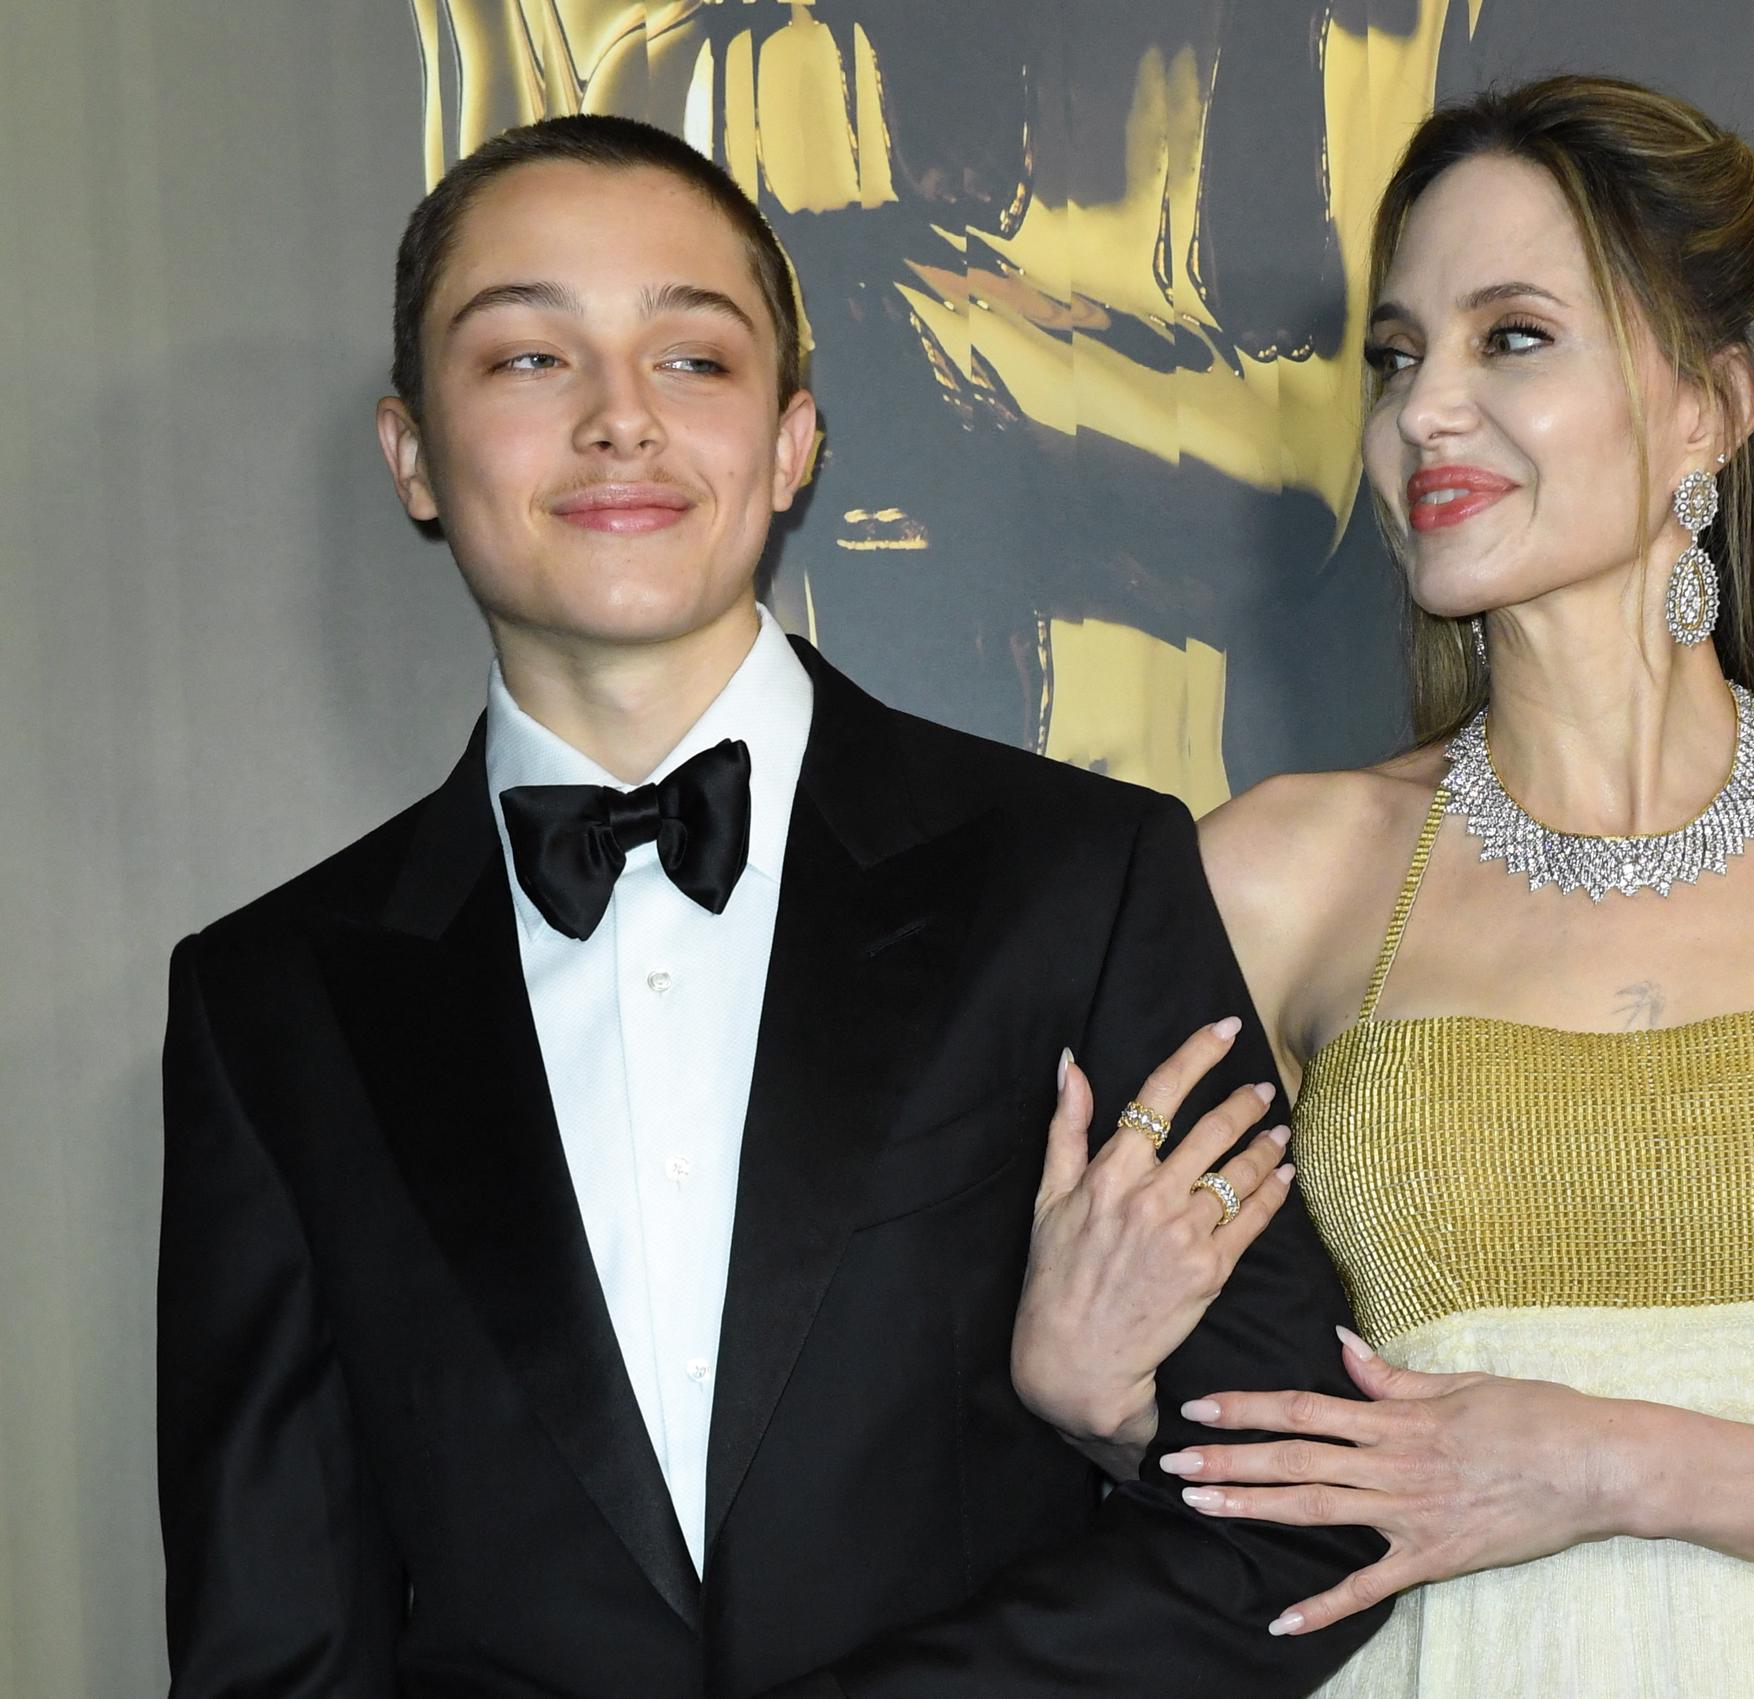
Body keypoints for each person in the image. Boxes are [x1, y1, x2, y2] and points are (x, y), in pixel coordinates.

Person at [155, 114, 1387, 1698]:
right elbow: (273, 1640)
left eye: (694, 360)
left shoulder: (1079, 879)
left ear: (794, 439)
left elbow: (1296, 1518)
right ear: (411, 453)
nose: (618, 421)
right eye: (529, 359)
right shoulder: (275, 1002)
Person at [1009, 75, 1754, 1695]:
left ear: (1711, 408)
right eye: (1397, 353)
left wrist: (1611, 1468)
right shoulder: (1277, 873)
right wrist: (1097, 1397)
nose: (1426, 408)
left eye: (1512, 336)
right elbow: (1245, 1473)